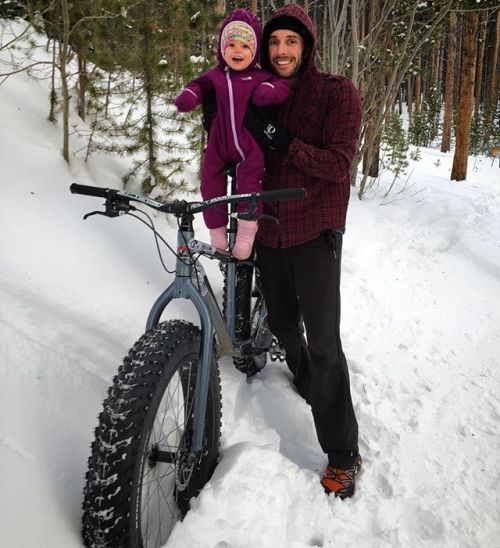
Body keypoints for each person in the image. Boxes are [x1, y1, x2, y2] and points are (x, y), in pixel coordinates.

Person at [243, 4, 363, 499]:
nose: (281, 51)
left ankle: (342, 453)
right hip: (270, 232)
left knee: (322, 341)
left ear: (307, 46)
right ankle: (307, 382)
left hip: (316, 232)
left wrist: (281, 138)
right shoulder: (261, 94)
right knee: (283, 326)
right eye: (274, 43)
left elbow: (338, 164)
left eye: (290, 42)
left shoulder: (336, 93)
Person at [174, 8, 290, 260]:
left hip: (249, 148)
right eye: (232, 45)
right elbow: (198, 86)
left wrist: (269, 90)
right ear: (222, 48)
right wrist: (189, 96)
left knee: (249, 188)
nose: (238, 51)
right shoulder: (215, 76)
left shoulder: (260, 76)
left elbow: (282, 86)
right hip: (218, 144)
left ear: (255, 51)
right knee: (210, 183)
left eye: (245, 46)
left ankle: (246, 234)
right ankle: (217, 235)